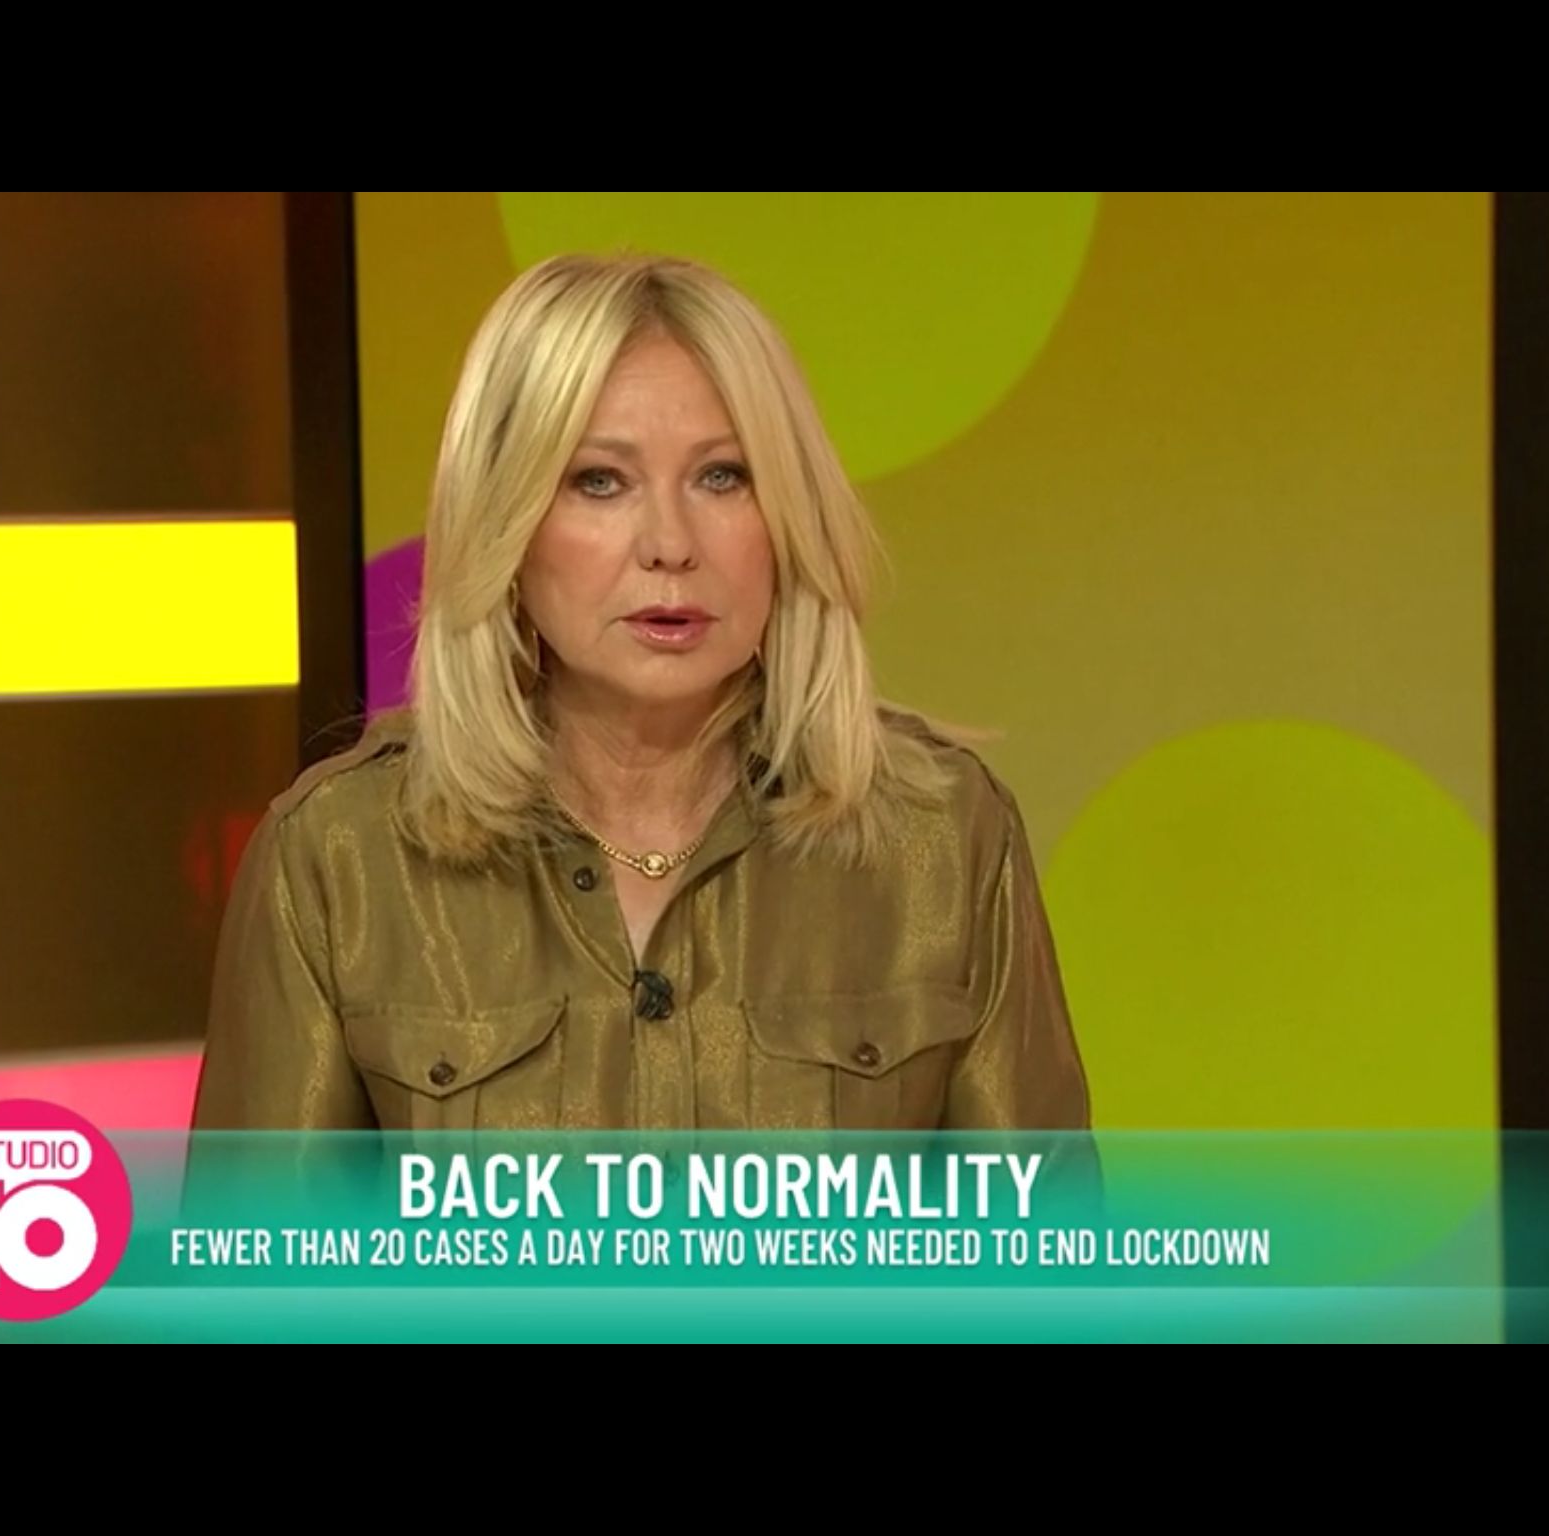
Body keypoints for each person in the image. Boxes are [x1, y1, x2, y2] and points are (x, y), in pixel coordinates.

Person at [191, 251, 1091, 1134]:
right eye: (600, 481)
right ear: (505, 520)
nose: (670, 544)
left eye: (722, 476)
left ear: (788, 516)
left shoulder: (944, 838)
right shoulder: (337, 860)